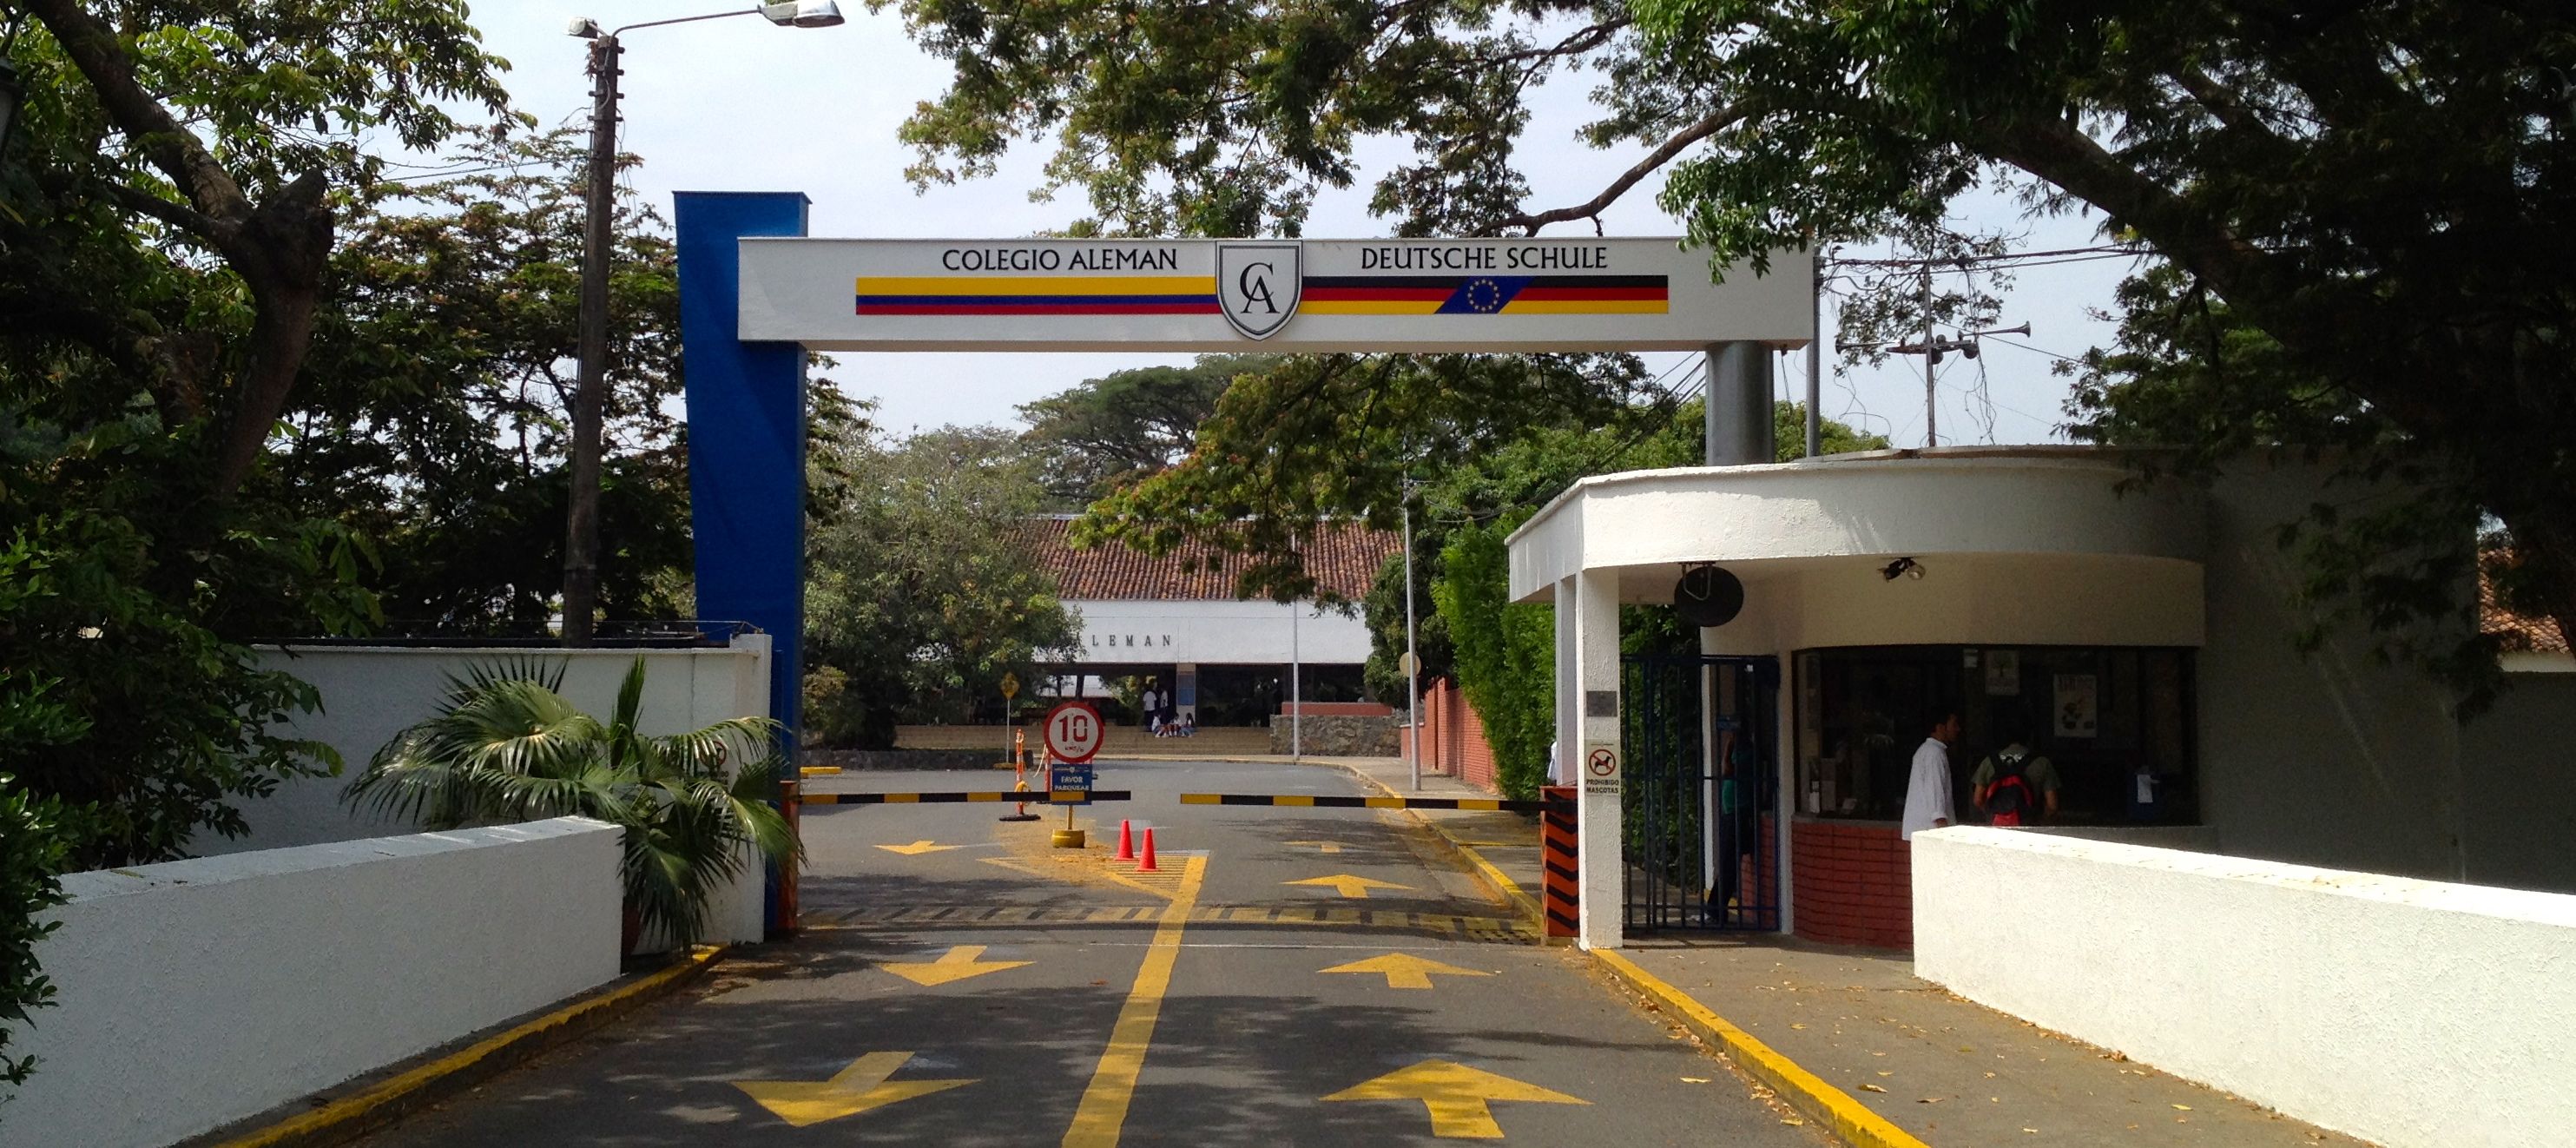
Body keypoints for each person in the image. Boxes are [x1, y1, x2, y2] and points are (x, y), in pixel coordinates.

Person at [1972, 722, 2060, 826]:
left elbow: (1978, 800)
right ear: (2029, 736)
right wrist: (2039, 820)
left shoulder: (1989, 762)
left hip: (1997, 827)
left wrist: (1993, 816)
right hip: (2029, 826)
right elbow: (2052, 805)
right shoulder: (2042, 763)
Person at [1899, 710, 1960, 841]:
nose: (1957, 729)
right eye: (1954, 725)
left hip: (1922, 831)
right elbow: (1935, 791)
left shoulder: (1926, 750)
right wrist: (1943, 830)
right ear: (1940, 727)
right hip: (1931, 831)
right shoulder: (1934, 753)